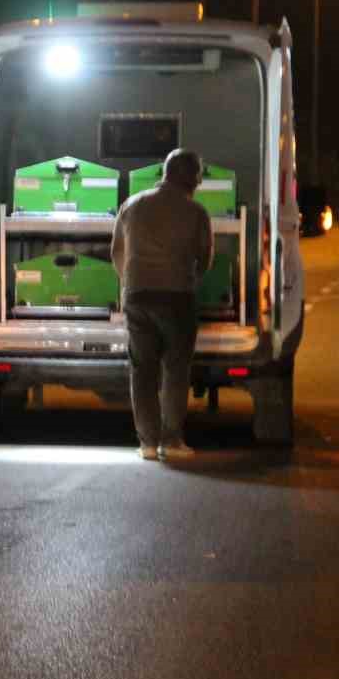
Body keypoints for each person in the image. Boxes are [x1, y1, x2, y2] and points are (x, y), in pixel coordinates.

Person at [111, 148, 214, 461]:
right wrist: (186, 277)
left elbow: (117, 251)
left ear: (164, 173)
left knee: (142, 369)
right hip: (176, 297)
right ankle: (171, 440)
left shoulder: (132, 205)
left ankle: (147, 443)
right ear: (193, 178)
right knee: (175, 369)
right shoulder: (196, 212)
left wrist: (132, 281)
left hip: (136, 295)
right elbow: (204, 259)